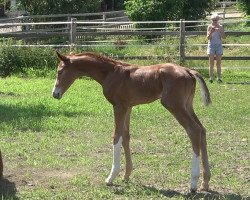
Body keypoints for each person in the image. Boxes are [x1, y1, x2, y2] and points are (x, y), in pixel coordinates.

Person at [206, 13, 225, 83]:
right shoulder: (209, 27)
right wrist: (211, 31)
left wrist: (220, 30)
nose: (215, 21)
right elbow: (208, 38)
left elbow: (223, 37)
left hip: (219, 46)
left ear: (218, 20)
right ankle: (211, 78)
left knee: (219, 63)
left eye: (216, 20)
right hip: (211, 45)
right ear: (211, 20)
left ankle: (219, 78)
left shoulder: (221, 27)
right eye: (213, 20)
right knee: (211, 63)